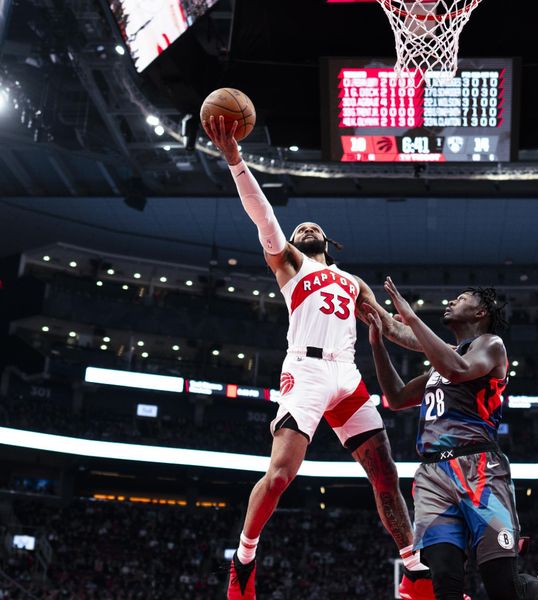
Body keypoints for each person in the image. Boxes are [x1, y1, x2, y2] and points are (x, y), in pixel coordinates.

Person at [203, 116, 433, 600]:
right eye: (299, 225)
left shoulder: (352, 282)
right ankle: (244, 559)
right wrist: (235, 161)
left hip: (346, 375)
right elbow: (264, 216)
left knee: (386, 473)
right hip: (305, 370)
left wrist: (447, 355)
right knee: (282, 474)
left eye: (314, 227)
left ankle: (413, 572)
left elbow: (390, 329)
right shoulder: (289, 264)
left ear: (329, 245)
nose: (304, 226)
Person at [364, 279, 538, 600]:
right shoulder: (441, 363)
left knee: (504, 589)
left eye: (460, 298)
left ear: (479, 312)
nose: (450, 302)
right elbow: (395, 397)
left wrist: (410, 317)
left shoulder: (491, 345)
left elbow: (459, 369)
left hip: (480, 470)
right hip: (433, 477)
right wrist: (377, 345)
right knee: (445, 584)